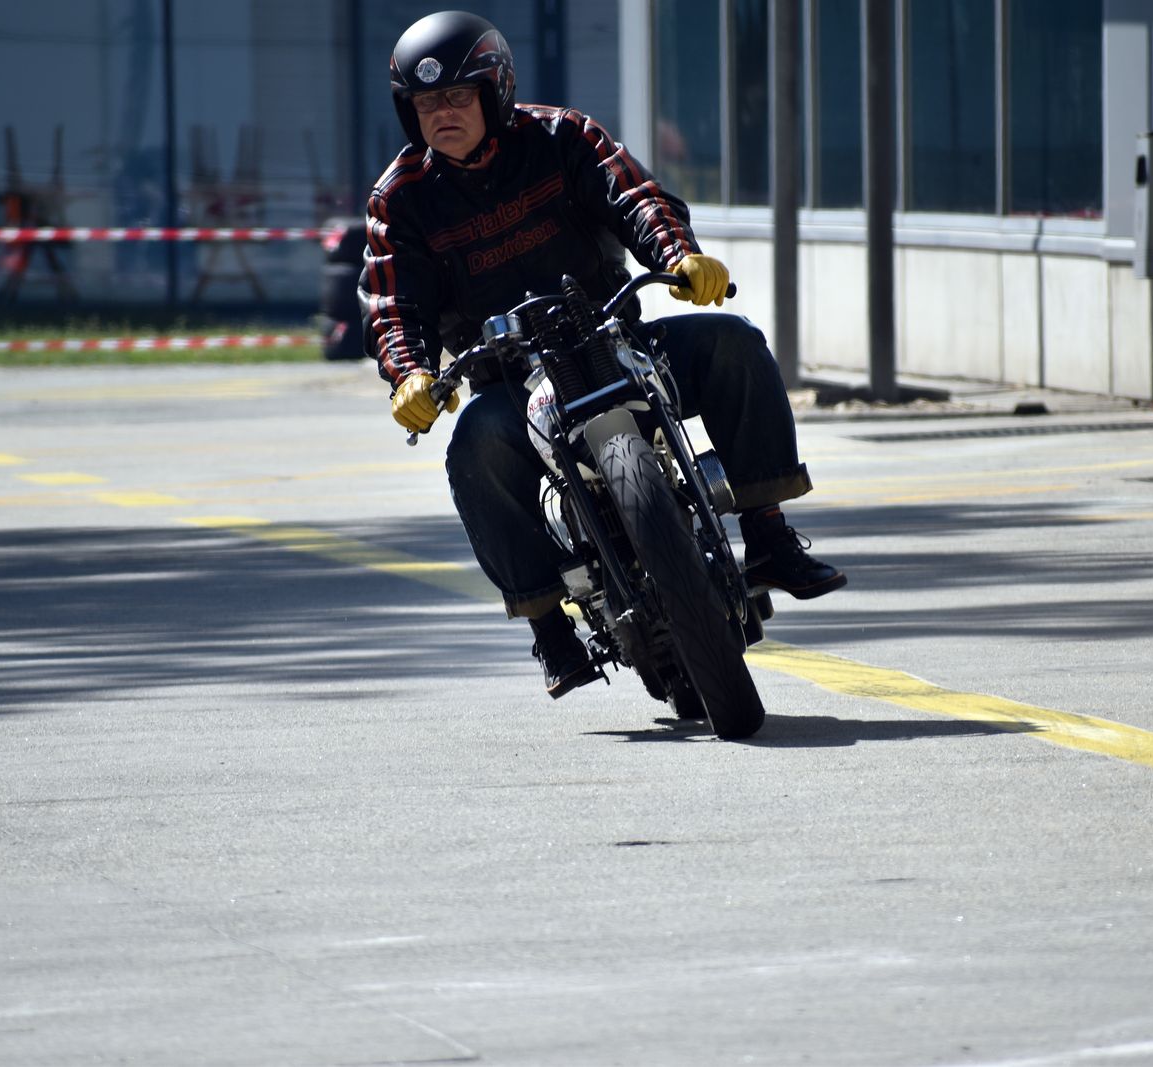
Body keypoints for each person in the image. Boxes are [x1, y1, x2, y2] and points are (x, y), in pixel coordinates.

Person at [360, 10, 846, 699]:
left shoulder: (562, 136)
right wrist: (409, 373)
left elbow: (635, 197)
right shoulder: (399, 199)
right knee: (473, 447)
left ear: (496, 91)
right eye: (426, 102)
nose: (442, 113)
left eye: (458, 96)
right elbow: (391, 302)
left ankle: (769, 535)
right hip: (510, 379)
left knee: (734, 343)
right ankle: (548, 627)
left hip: (613, 337)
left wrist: (678, 255)